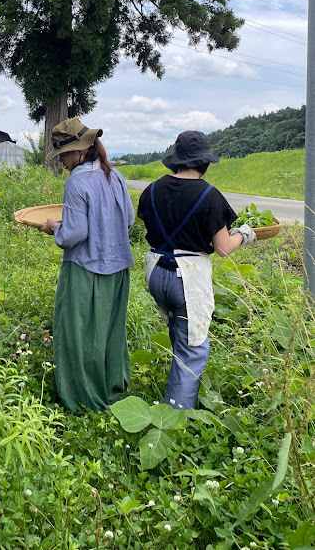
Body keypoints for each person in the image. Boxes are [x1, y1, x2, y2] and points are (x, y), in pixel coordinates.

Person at [137, 130, 256, 410]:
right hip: (187, 278)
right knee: (192, 350)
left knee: (180, 335)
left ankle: (176, 398)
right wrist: (244, 234)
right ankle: (175, 417)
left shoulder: (152, 190)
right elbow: (224, 247)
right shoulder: (209, 196)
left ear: (177, 161)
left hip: (156, 272)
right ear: (204, 163)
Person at [38, 117, 135, 413]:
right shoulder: (114, 175)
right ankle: (110, 387)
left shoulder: (77, 181)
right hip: (118, 268)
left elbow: (76, 234)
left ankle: (83, 396)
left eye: (64, 156)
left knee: (78, 334)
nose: (64, 163)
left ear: (79, 152)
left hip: (86, 269)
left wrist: (56, 227)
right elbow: (129, 219)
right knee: (109, 332)